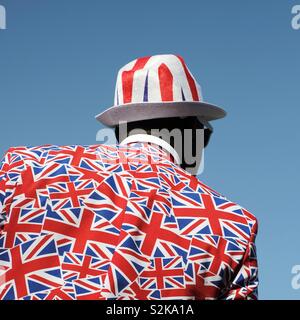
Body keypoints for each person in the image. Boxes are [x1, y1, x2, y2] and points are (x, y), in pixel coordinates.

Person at [0, 54, 258, 300]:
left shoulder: (24, 169)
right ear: (193, 132)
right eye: (206, 135)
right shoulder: (232, 226)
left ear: (119, 128)